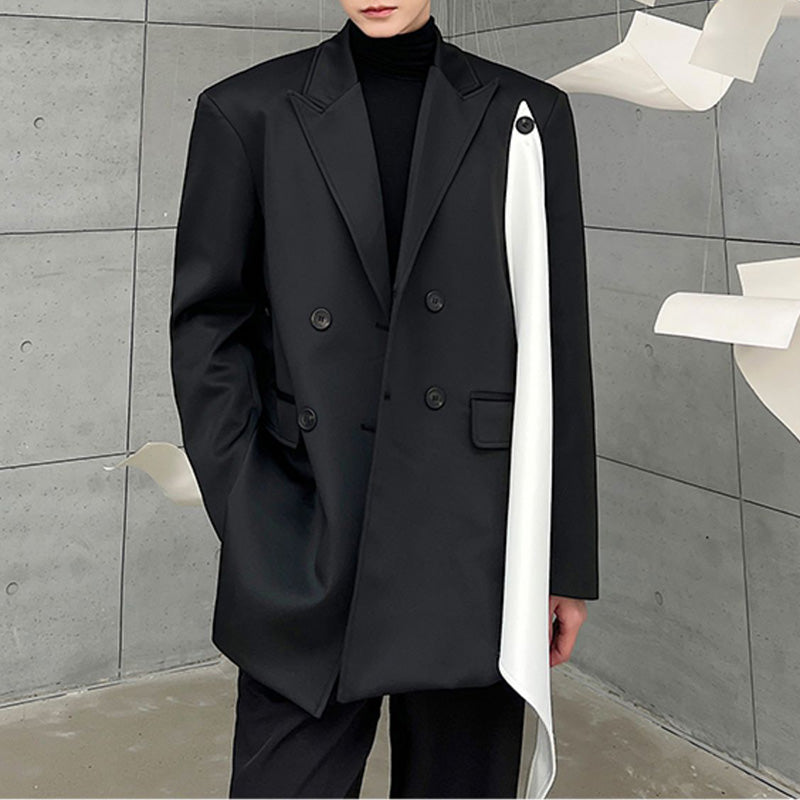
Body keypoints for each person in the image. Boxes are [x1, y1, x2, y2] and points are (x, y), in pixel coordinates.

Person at [169, 1, 598, 797]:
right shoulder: (246, 111)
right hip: (307, 525)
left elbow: (557, 343)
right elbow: (208, 325)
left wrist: (561, 560)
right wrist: (249, 508)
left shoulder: (526, 114)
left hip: (473, 537)